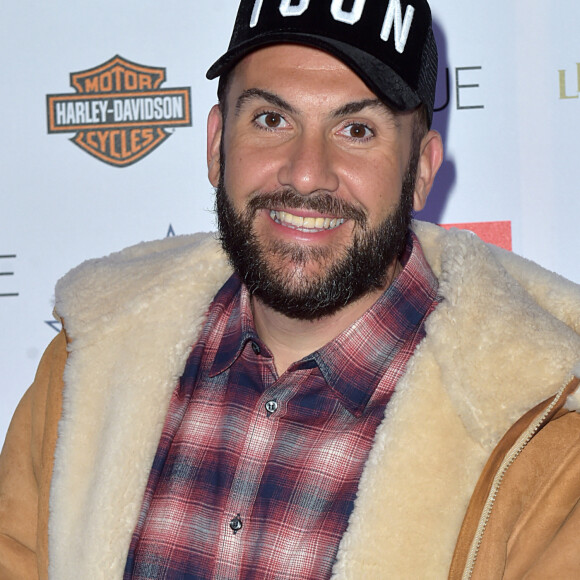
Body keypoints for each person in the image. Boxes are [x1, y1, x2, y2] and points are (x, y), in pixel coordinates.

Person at [1, 0, 580, 578]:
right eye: (271, 120)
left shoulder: (544, 440)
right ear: (215, 144)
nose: (305, 173)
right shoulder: (89, 364)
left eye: (356, 129)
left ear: (422, 169)